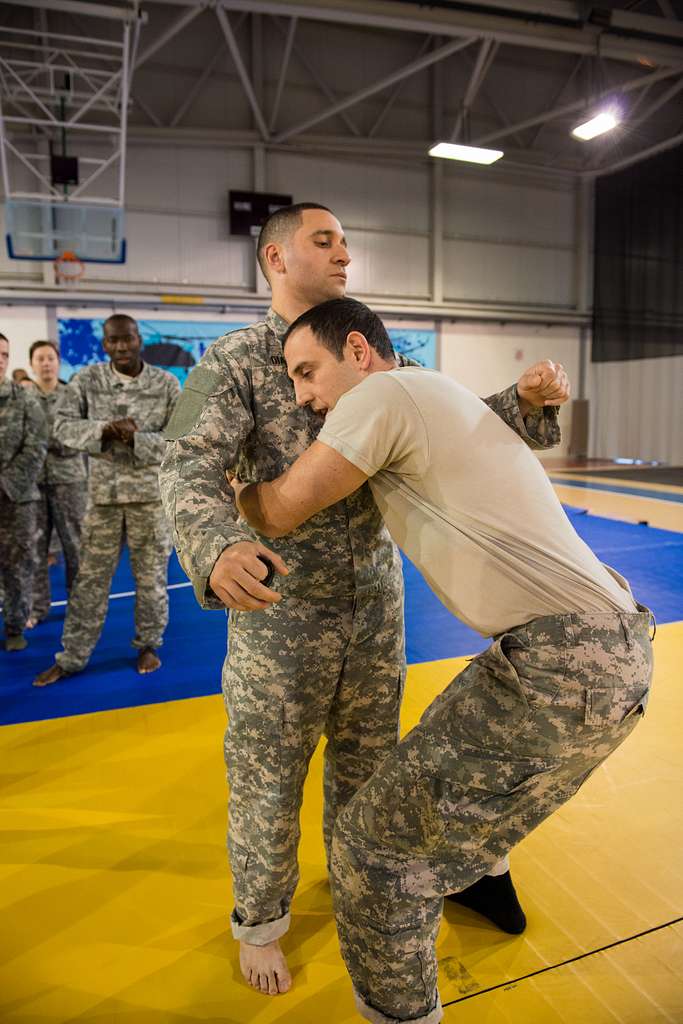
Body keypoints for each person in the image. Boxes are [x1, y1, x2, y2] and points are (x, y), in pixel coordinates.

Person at [159, 202, 570, 997]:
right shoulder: (231, 359)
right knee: (267, 776)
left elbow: (452, 427)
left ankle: (357, 890)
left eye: (346, 241)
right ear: (276, 258)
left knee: (367, 770)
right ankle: (261, 924)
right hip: (281, 616)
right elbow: (182, 459)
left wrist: (524, 403)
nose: (344, 254)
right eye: (325, 241)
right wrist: (215, 548)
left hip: (376, 608)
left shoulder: (370, 348)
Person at [233, 297, 653, 1024]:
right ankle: (481, 877)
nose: (302, 396)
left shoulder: (383, 394)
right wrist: (526, 398)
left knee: (371, 854)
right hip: (609, 652)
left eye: (307, 373)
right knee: (441, 747)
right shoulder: (433, 392)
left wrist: (228, 491)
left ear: (358, 351)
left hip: (562, 662)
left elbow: (280, 509)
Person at [33, 314, 180, 685]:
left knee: (151, 580)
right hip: (102, 499)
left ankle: (148, 644)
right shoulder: (87, 380)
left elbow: (182, 439)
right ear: (104, 344)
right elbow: (62, 426)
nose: (121, 347)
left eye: (127, 339)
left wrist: (136, 440)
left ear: (138, 339)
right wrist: (104, 430)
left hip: (149, 500)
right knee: (90, 581)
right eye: (113, 341)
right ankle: (71, 657)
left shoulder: (165, 384)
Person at [27, 340, 88, 627]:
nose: (46, 363)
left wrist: (43, 442)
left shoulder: (72, 395)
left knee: (75, 544)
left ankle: (78, 606)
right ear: (32, 364)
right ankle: (38, 607)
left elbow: (80, 436)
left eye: (50, 358)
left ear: (58, 361)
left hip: (70, 481)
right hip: (34, 482)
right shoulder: (24, 397)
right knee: (37, 545)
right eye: (40, 359)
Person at [0, 333, 47, 650]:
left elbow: (36, 446)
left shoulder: (24, 398)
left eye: (4, 354)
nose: (0, 360)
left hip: (16, 500)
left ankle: (15, 625)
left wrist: (4, 484)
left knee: (18, 566)